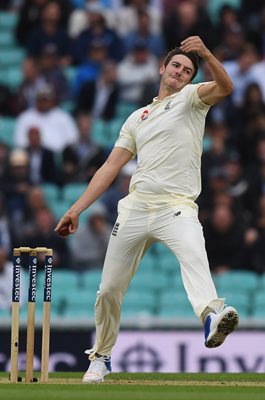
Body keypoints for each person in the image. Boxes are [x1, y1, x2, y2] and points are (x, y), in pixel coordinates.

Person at [55, 36, 239, 383]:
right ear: (162, 68)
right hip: (136, 210)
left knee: (194, 255)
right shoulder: (136, 118)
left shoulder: (192, 99)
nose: (181, 73)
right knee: (109, 289)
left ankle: (212, 314)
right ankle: (101, 357)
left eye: (187, 70)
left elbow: (226, 87)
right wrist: (76, 209)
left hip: (177, 208)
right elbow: (109, 168)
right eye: (176, 66)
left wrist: (206, 54)